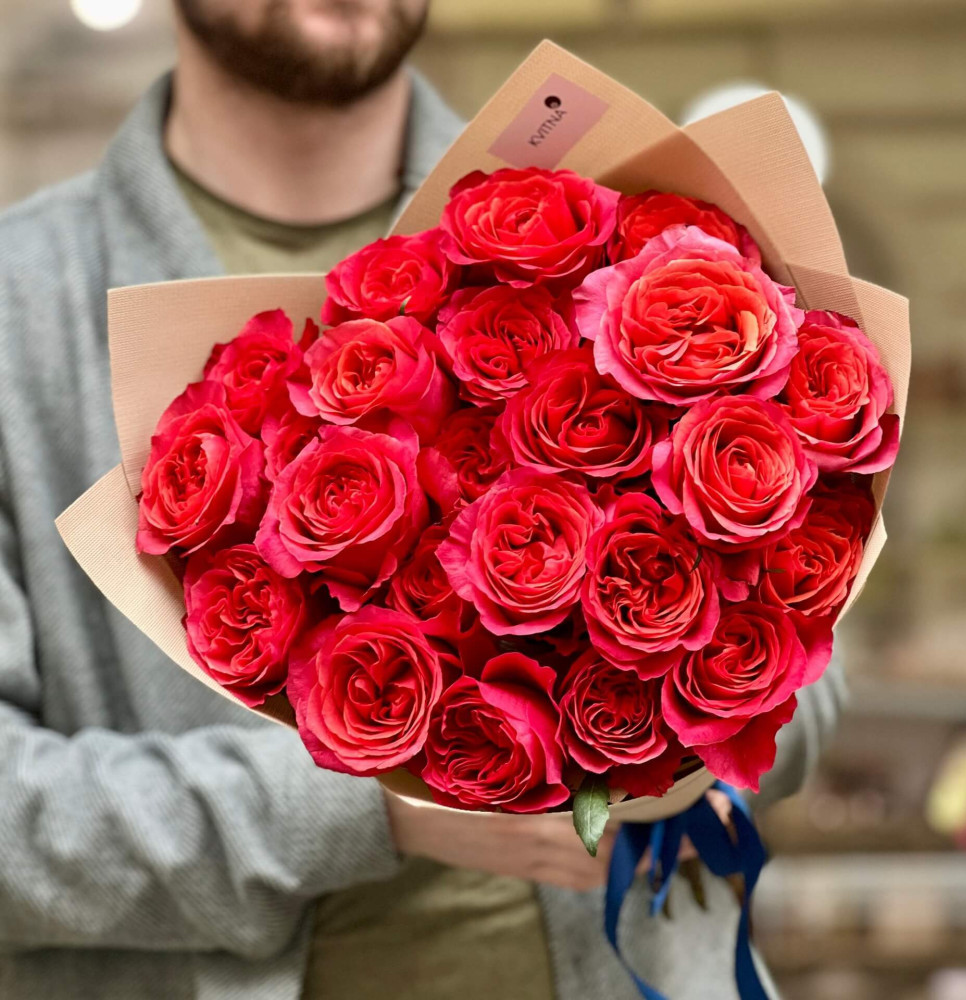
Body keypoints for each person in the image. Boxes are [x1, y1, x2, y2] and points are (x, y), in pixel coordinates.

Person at [0, 2, 846, 997]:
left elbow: (816, 668)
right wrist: (369, 800)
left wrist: (678, 728)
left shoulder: (609, 210)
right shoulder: (22, 305)